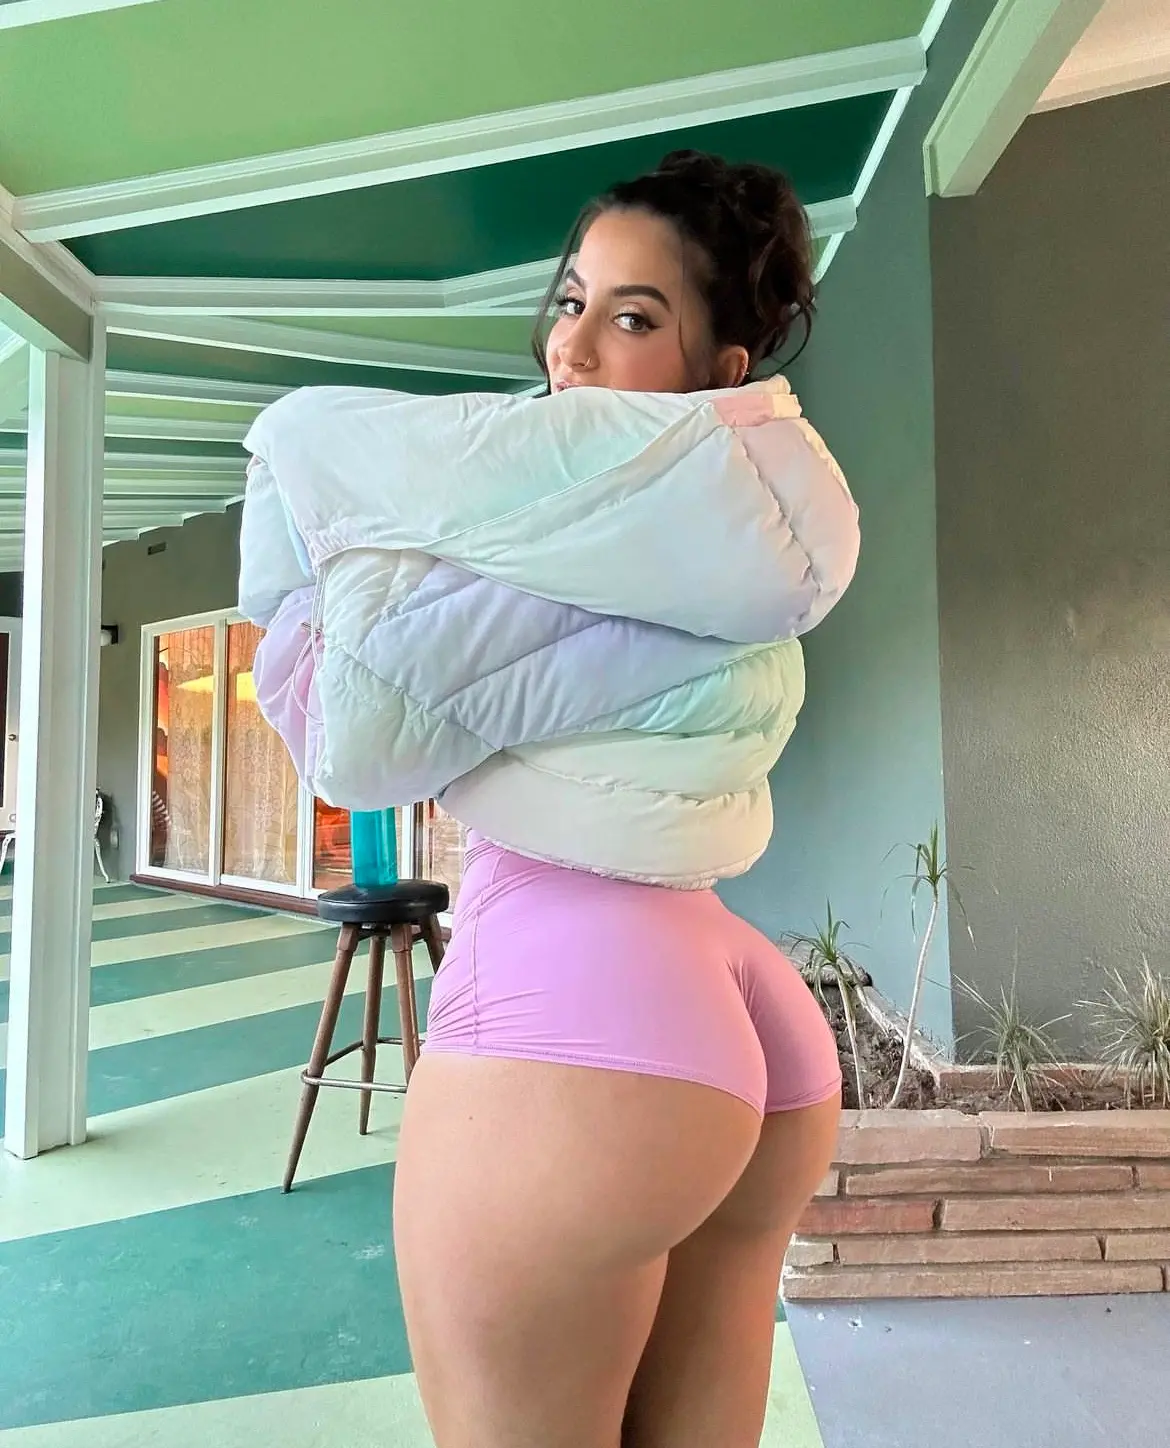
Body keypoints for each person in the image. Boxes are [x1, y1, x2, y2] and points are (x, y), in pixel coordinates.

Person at [238, 149, 856, 1448]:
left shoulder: (553, 528)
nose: (570, 347)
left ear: (719, 370)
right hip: (737, 1004)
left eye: (632, 317)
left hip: (577, 1018)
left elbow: (351, 733)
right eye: (571, 301)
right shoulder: (748, 552)